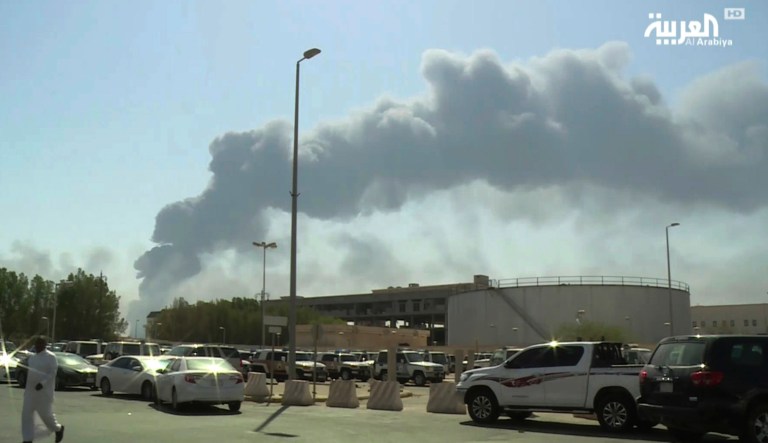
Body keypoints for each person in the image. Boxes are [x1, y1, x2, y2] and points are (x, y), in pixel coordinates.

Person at [21, 336, 65, 443]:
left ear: (45, 345)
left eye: (39, 344)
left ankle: (58, 429)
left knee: (46, 416)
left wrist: (42, 383)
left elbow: (52, 373)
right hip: (30, 393)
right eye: (36, 344)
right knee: (26, 415)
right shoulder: (32, 358)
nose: (37, 346)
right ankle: (27, 439)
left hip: (44, 393)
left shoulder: (51, 357)